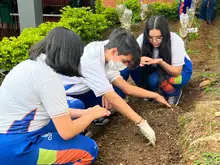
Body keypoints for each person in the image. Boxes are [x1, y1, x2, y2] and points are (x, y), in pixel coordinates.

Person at [0, 27, 111, 165]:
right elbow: (67, 132)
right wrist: (91, 115)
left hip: (6, 140)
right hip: (18, 148)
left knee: (75, 106)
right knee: (88, 150)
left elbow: (47, 110)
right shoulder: (48, 78)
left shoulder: (28, 65)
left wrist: (85, 112)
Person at [61, 28, 171, 147]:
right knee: (82, 105)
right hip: (69, 93)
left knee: (116, 94)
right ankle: (76, 131)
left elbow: (127, 88)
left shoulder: (108, 51)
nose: (125, 65)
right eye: (125, 61)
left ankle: (94, 112)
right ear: (115, 51)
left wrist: (155, 95)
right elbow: (113, 98)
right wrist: (141, 123)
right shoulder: (91, 60)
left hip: (86, 88)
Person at [130, 16, 193, 106]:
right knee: (135, 69)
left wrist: (161, 62)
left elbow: (176, 72)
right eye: (150, 38)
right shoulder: (141, 39)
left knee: (162, 80)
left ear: (165, 34)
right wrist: (138, 59)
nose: (154, 41)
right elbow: (129, 59)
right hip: (155, 69)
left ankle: (174, 93)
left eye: (159, 38)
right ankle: (149, 92)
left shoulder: (175, 41)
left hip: (180, 70)